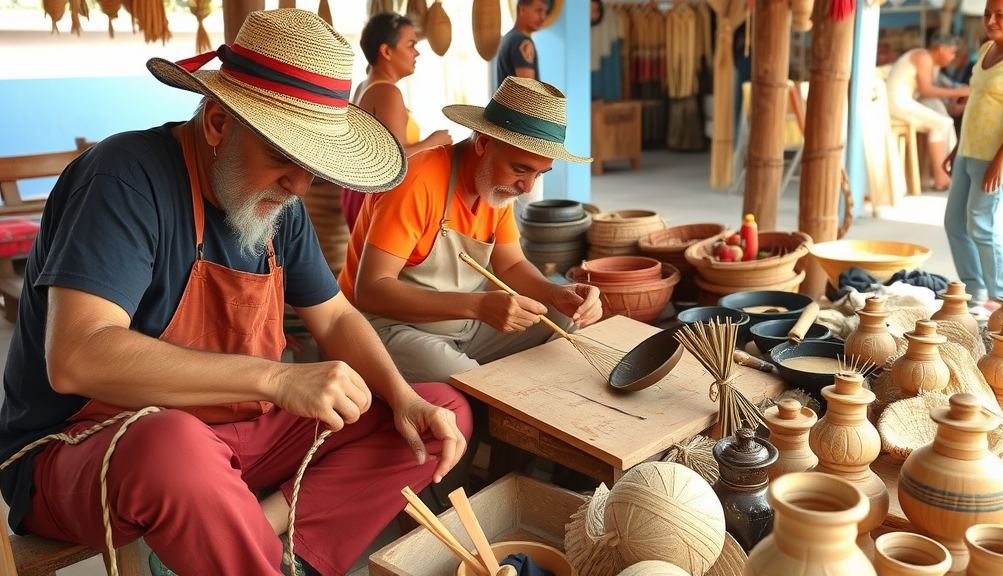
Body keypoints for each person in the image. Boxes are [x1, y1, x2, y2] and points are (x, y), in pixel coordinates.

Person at [0, 9, 470, 576]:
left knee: (439, 411)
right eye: (283, 159)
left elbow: (336, 316)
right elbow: (77, 357)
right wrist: (276, 377)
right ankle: (245, 547)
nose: (299, 185)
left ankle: (257, 535)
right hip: (84, 451)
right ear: (219, 121)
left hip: (233, 436)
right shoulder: (124, 179)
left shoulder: (279, 207)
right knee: (173, 446)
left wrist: (402, 396)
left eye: (312, 167)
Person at [338, 77, 600, 385]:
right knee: (472, 383)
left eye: (539, 173)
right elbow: (370, 291)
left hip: (465, 323)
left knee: (560, 316)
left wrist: (555, 292)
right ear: (484, 144)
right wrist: (478, 305)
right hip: (386, 327)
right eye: (520, 169)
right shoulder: (418, 181)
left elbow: (511, 265)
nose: (527, 187)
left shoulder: (495, 187)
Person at [943, 0, 1003, 312]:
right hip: (968, 151)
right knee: (954, 222)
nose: (990, 20)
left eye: (999, 15)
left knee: (981, 224)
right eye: (987, 14)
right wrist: (956, 147)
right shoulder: (988, 48)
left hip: (998, 156)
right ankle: (976, 293)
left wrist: (1001, 160)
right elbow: (977, 102)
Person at [339, 12, 453, 231]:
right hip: (378, 203)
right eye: (410, 45)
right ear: (386, 51)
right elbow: (395, 161)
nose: (417, 52)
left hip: (359, 196)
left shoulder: (365, 85)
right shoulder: (386, 91)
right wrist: (435, 142)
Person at [886, 32, 972, 191]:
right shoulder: (923, 56)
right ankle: (941, 178)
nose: (953, 57)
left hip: (903, 102)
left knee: (944, 119)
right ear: (941, 49)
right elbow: (926, 90)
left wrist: (952, 99)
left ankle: (949, 172)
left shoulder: (930, 62)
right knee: (942, 123)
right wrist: (957, 93)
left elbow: (931, 93)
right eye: (952, 52)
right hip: (897, 103)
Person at [496, 0, 547, 88]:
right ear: (522, 9)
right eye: (538, 10)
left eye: (544, 12)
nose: (542, 17)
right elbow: (528, 92)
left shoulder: (507, 38)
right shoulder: (523, 42)